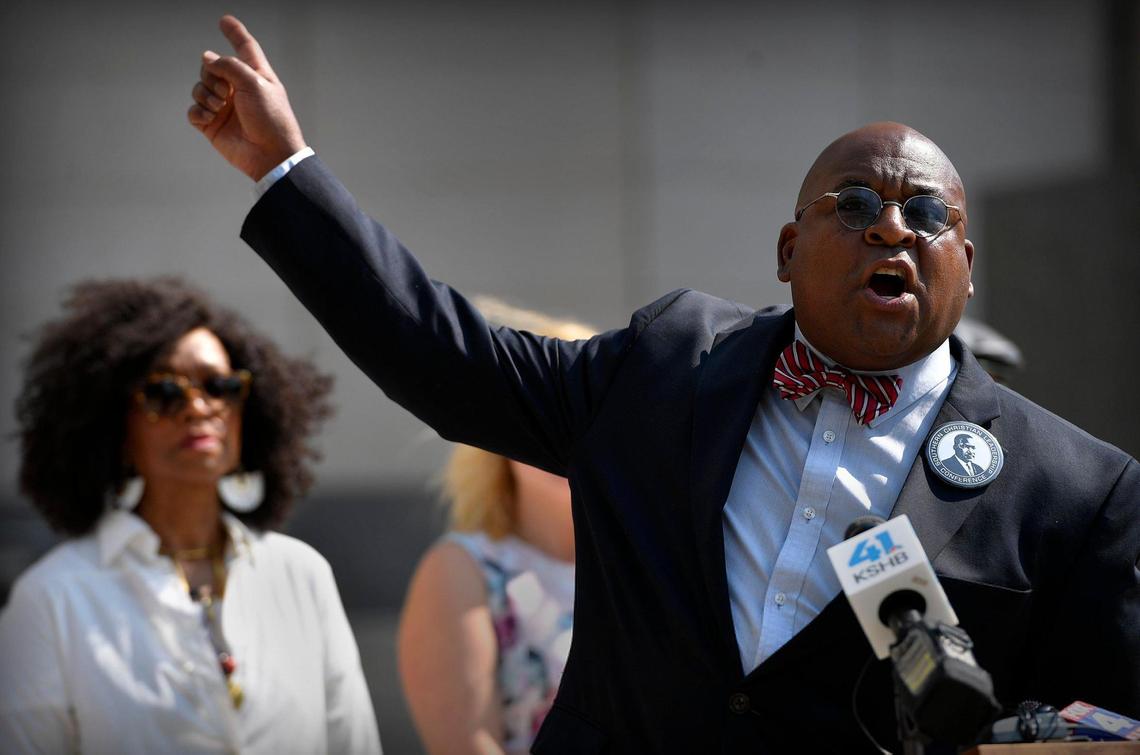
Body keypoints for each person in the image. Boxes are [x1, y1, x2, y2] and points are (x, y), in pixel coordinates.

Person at [188, 16, 1139, 753]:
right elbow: (444, 357)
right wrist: (283, 169)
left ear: (966, 269)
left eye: (925, 213)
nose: (892, 226)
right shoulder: (665, 368)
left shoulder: (1076, 489)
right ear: (787, 249)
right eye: (854, 204)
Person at [0, 277, 382, 754]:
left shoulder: (301, 574)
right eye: (163, 391)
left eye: (220, 386)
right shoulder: (53, 598)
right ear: (111, 424)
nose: (199, 407)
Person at [398, 297, 593, 755]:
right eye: (546, 407)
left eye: (586, 407)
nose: (564, 431)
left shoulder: (653, 560)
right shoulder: (462, 569)